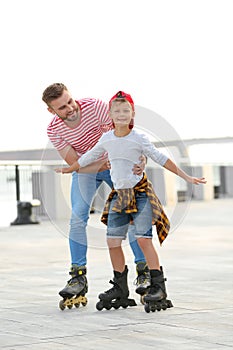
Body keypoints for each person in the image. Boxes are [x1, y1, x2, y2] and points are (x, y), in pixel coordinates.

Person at [55, 91, 207, 311]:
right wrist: (71, 168)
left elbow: (161, 158)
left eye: (126, 110)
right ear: (110, 114)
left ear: (132, 113)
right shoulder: (106, 138)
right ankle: (120, 287)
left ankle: (158, 285)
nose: (121, 114)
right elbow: (88, 157)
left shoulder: (139, 138)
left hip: (140, 194)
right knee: (113, 243)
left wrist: (186, 177)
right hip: (119, 196)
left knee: (143, 239)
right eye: (117, 111)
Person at [42, 84, 149, 305]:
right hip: (88, 170)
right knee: (77, 218)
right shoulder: (54, 130)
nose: (71, 108)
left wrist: (137, 157)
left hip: (116, 165)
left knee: (131, 215)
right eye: (62, 107)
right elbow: (74, 163)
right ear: (52, 111)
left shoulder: (95, 107)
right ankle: (78, 278)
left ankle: (143, 271)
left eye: (70, 101)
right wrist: (100, 163)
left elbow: (121, 135)